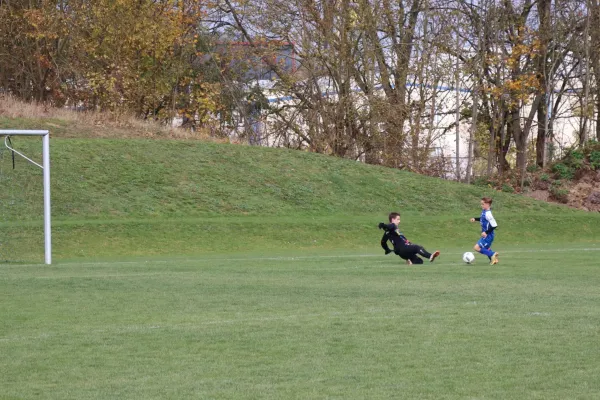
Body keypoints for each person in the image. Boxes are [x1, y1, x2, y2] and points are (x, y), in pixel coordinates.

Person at [470, 197, 499, 265]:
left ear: (488, 204)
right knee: (486, 248)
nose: (481, 205)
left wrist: (486, 232)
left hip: (488, 235)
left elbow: (494, 225)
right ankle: (494, 259)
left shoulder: (488, 214)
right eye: (481, 204)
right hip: (487, 235)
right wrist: (475, 219)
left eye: (483, 204)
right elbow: (483, 219)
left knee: (476, 247)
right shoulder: (484, 212)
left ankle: (493, 254)